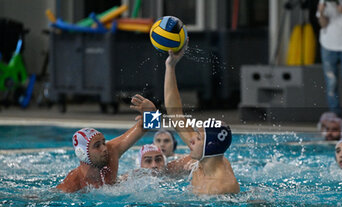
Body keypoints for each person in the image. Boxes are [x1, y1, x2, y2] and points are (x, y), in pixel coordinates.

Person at [163, 41, 240, 195]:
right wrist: (170, 67)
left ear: (210, 146)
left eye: (198, 137)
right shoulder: (206, 160)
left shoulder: (220, 187)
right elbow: (175, 115)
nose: (191, 139)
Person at [56, 94, 156, 193]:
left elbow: (144, 127)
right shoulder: (73, 182)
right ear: (82, 153)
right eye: (97, 146)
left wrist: (152, 111)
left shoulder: (112, 151)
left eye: (104, 143)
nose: (104, 148)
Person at [317, 0, 342, 116]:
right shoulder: (323, 1)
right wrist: (321, 12)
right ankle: (335, 115)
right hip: (328, 45)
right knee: (331, 82)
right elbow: (323, 24)